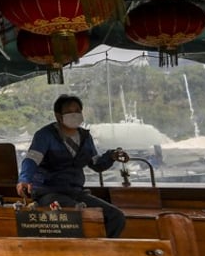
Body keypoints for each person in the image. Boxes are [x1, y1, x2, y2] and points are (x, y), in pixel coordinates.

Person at [16, 94, 129, 238]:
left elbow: (96, 163)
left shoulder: (85, 137)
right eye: (69, 112)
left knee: (116, 217)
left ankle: (103, 251)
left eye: (77, 111)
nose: (74, 115)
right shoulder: (45, 135)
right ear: (58, 115)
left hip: (75, 191)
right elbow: (31, 160)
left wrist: (112, 156)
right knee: (75, 212)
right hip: (48, 192)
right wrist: (24, 179)